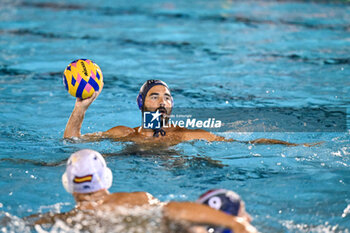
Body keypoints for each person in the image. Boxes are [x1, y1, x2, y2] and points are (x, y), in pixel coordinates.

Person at [28, 149, 257, 233]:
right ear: (106, 179)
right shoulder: (137, 199)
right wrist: (236, 223)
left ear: (68, 185)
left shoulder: (66, 220)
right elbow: (173, 210)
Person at [64, 79, 315, 146]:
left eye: (167, 97)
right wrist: (80, 108)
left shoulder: (185, 135)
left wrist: (293, 146)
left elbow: (249, 143)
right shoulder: (123, 133)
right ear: (141, 103)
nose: (163, 101)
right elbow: (71, 141)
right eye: (155, 96)